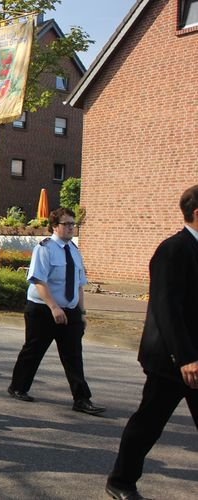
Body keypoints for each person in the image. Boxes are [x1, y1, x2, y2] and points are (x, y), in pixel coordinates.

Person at [105, 185, 198, 500]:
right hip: (173, 361)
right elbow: (166, 308)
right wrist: (185, 357)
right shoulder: (173, 250)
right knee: (148, 424)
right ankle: (121, 482)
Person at [7, 207, 105, 416]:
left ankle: (81, 399)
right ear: (54, 226)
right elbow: (38, 280)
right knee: (34, 350)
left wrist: (81, 312)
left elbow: (79, 285)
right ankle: (18, 387)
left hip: (70, 310)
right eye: (66, 224)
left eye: (73, 224)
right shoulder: (44, 249)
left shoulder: (74, 251)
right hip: (43, 309)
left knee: (73, 355)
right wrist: (53, 307)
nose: (71, 228)